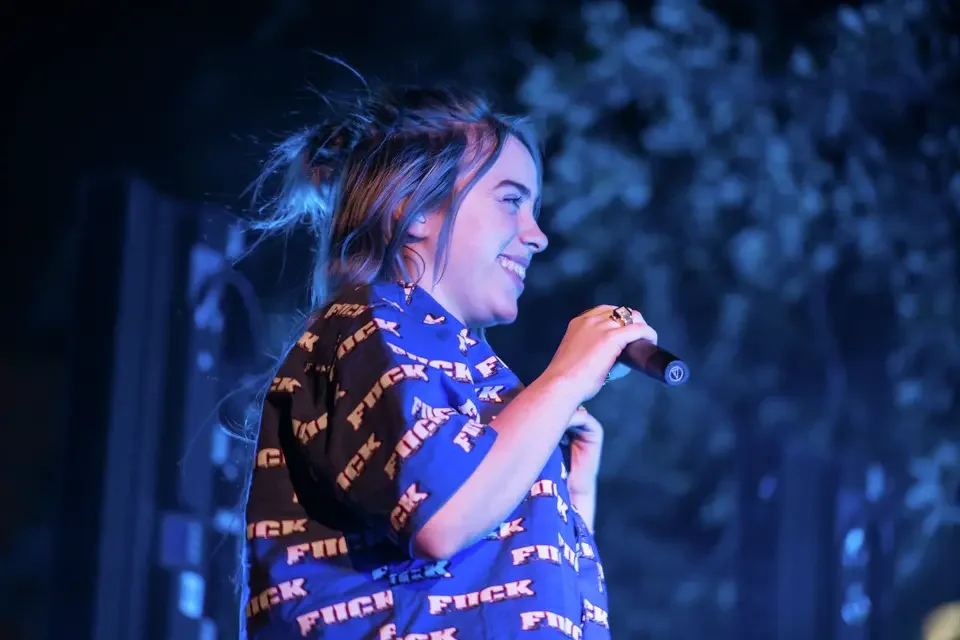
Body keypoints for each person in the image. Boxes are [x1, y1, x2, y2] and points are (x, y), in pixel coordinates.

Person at [243, 85, 658, 639]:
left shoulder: (465, 370)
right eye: (512, 200)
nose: (537, 236)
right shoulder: (368, 324)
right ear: (412, 208)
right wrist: (563, 381)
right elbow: (442, 518)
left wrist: (566, 500)